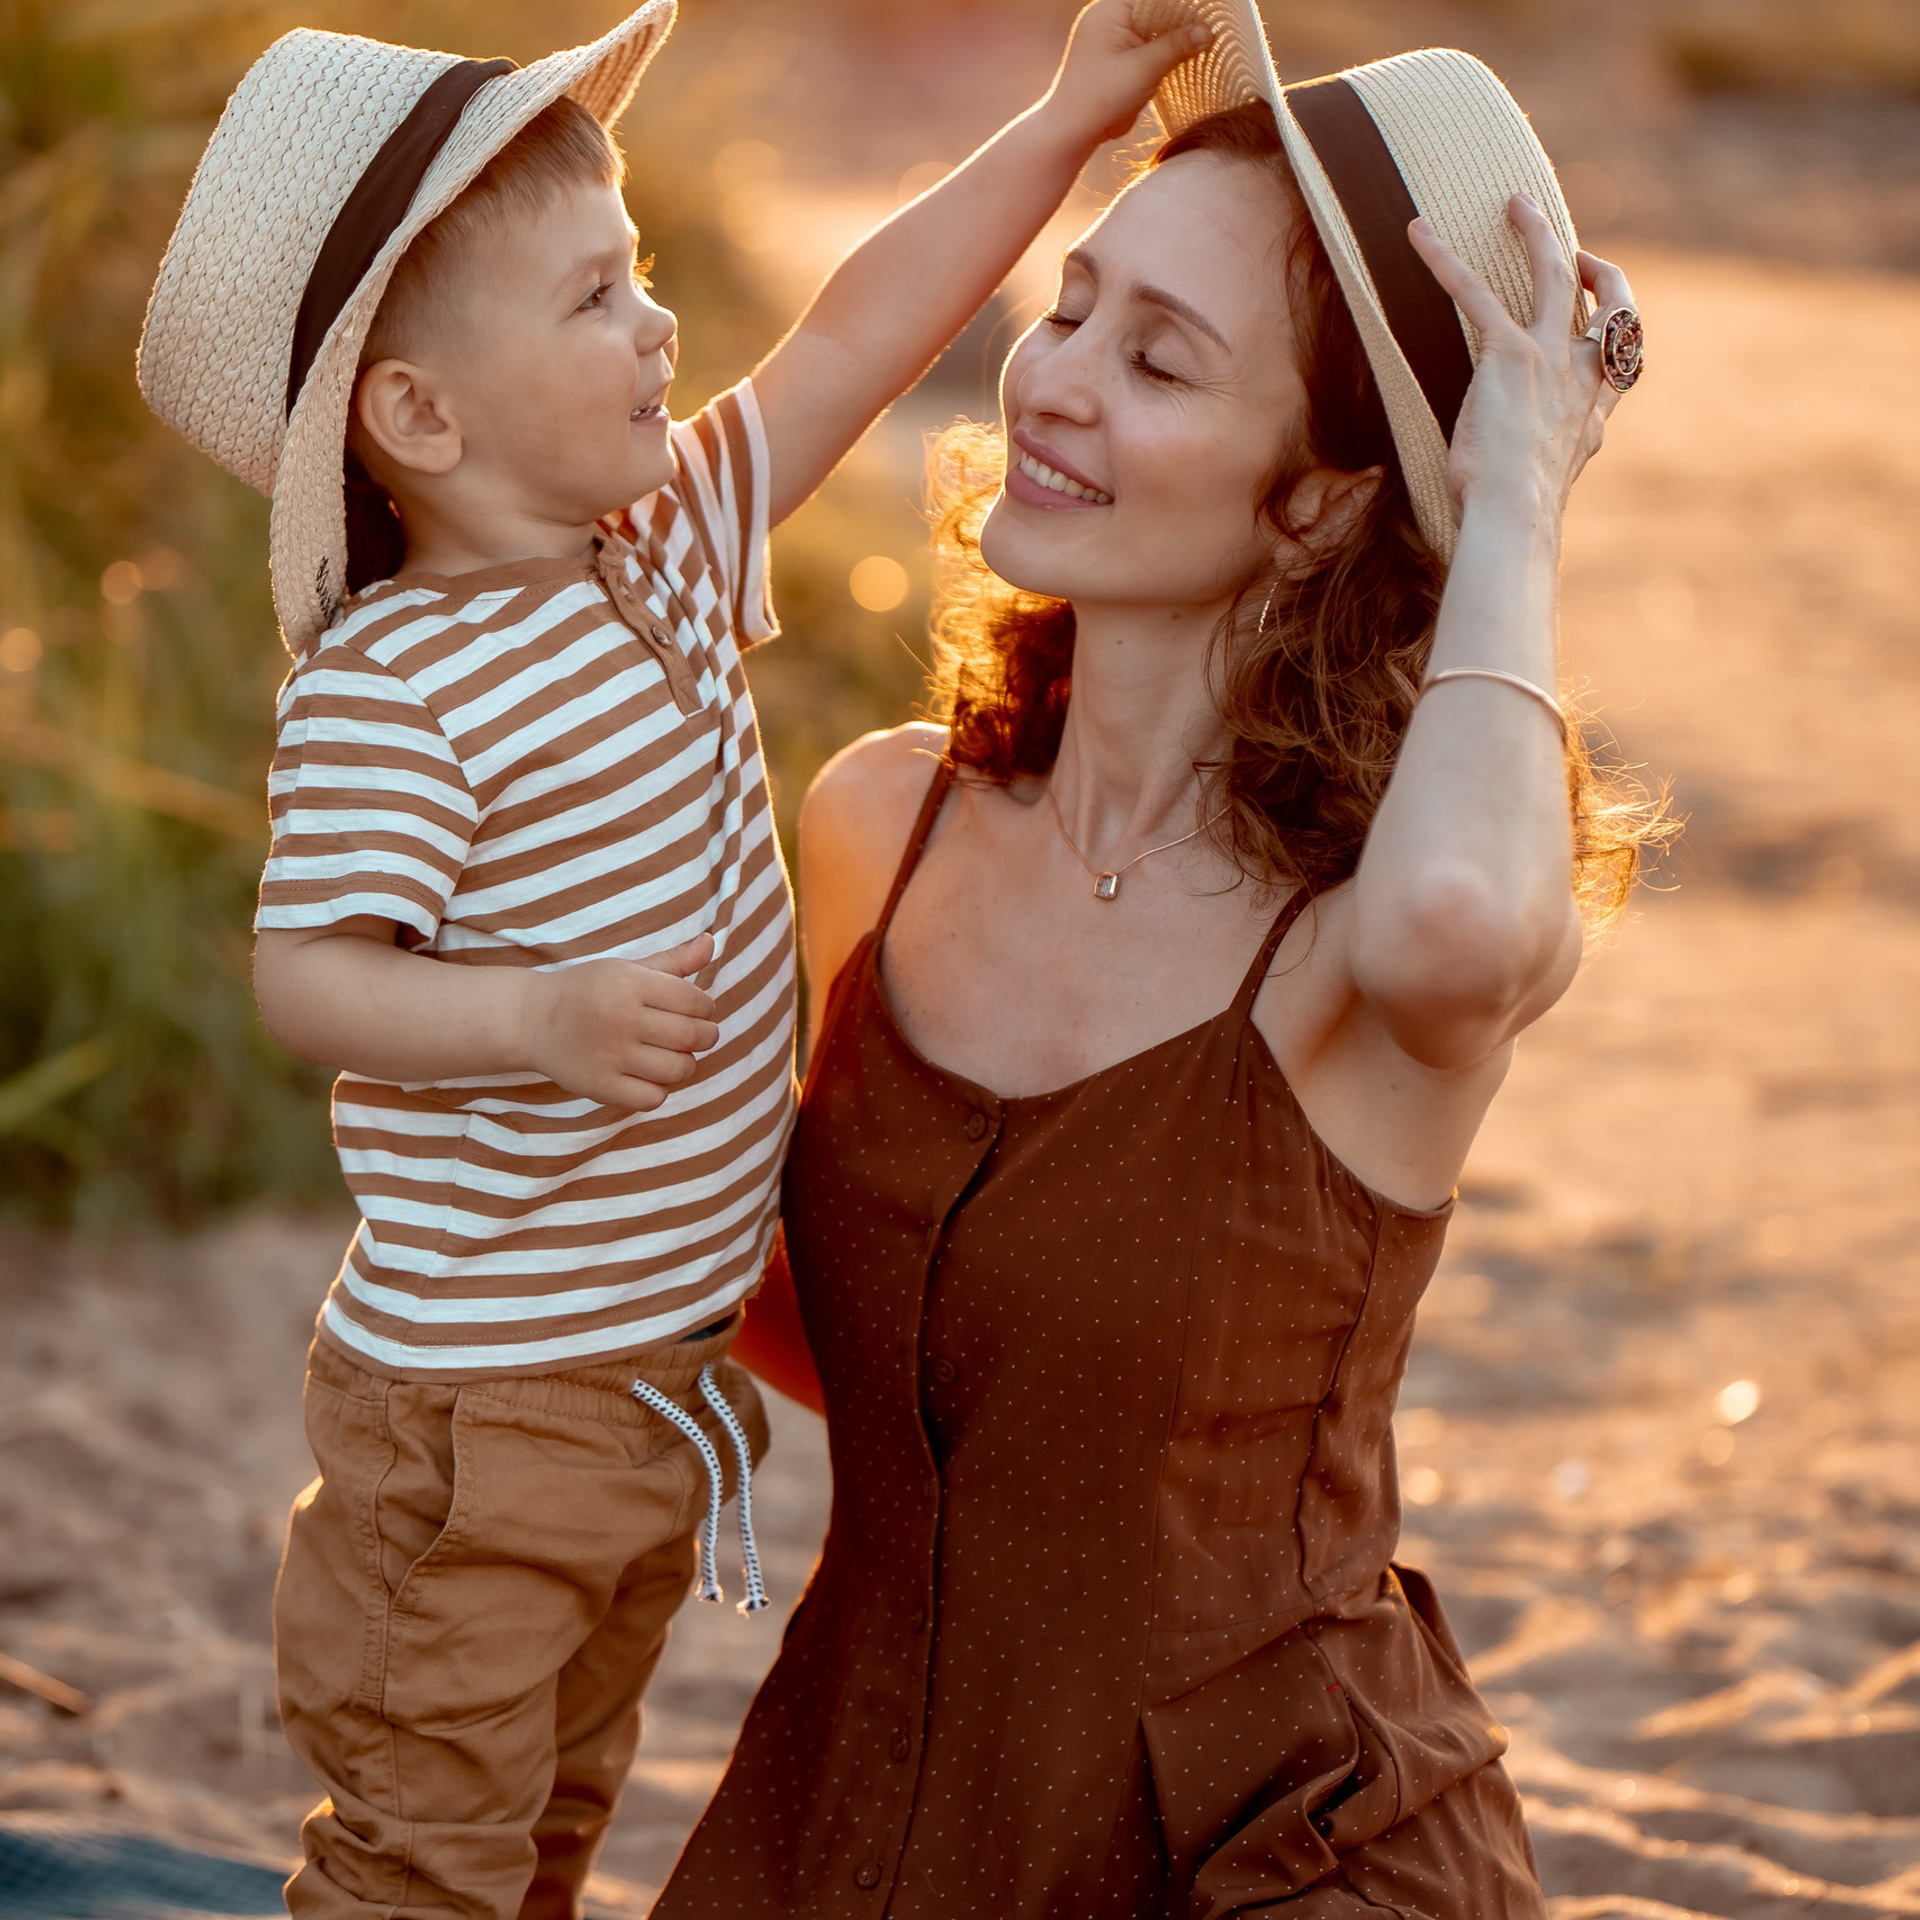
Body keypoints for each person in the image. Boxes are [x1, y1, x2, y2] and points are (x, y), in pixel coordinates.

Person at [135, 5, 1209, 1917]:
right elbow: (309, 977)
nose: (654, 326)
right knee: (423, 1863)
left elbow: (867, 329)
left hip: (642, 1391)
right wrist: (531, 1015)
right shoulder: (393, 686)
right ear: (421, 419)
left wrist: (1068, 115)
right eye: (593, 298)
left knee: (551, 1827)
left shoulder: (663, 545)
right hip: (471, 1429)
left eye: (638, 277)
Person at [669, 9, 1662, 1918]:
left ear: (1320, 499)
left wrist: (1519, 487)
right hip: (855, 1815)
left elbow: (1473, 920)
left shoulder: (1368, 949)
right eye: (1070, 310)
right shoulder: (884, 822)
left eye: (1158, 359)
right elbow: (895, 1337)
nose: (1049, 383)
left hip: (1266, 1848)